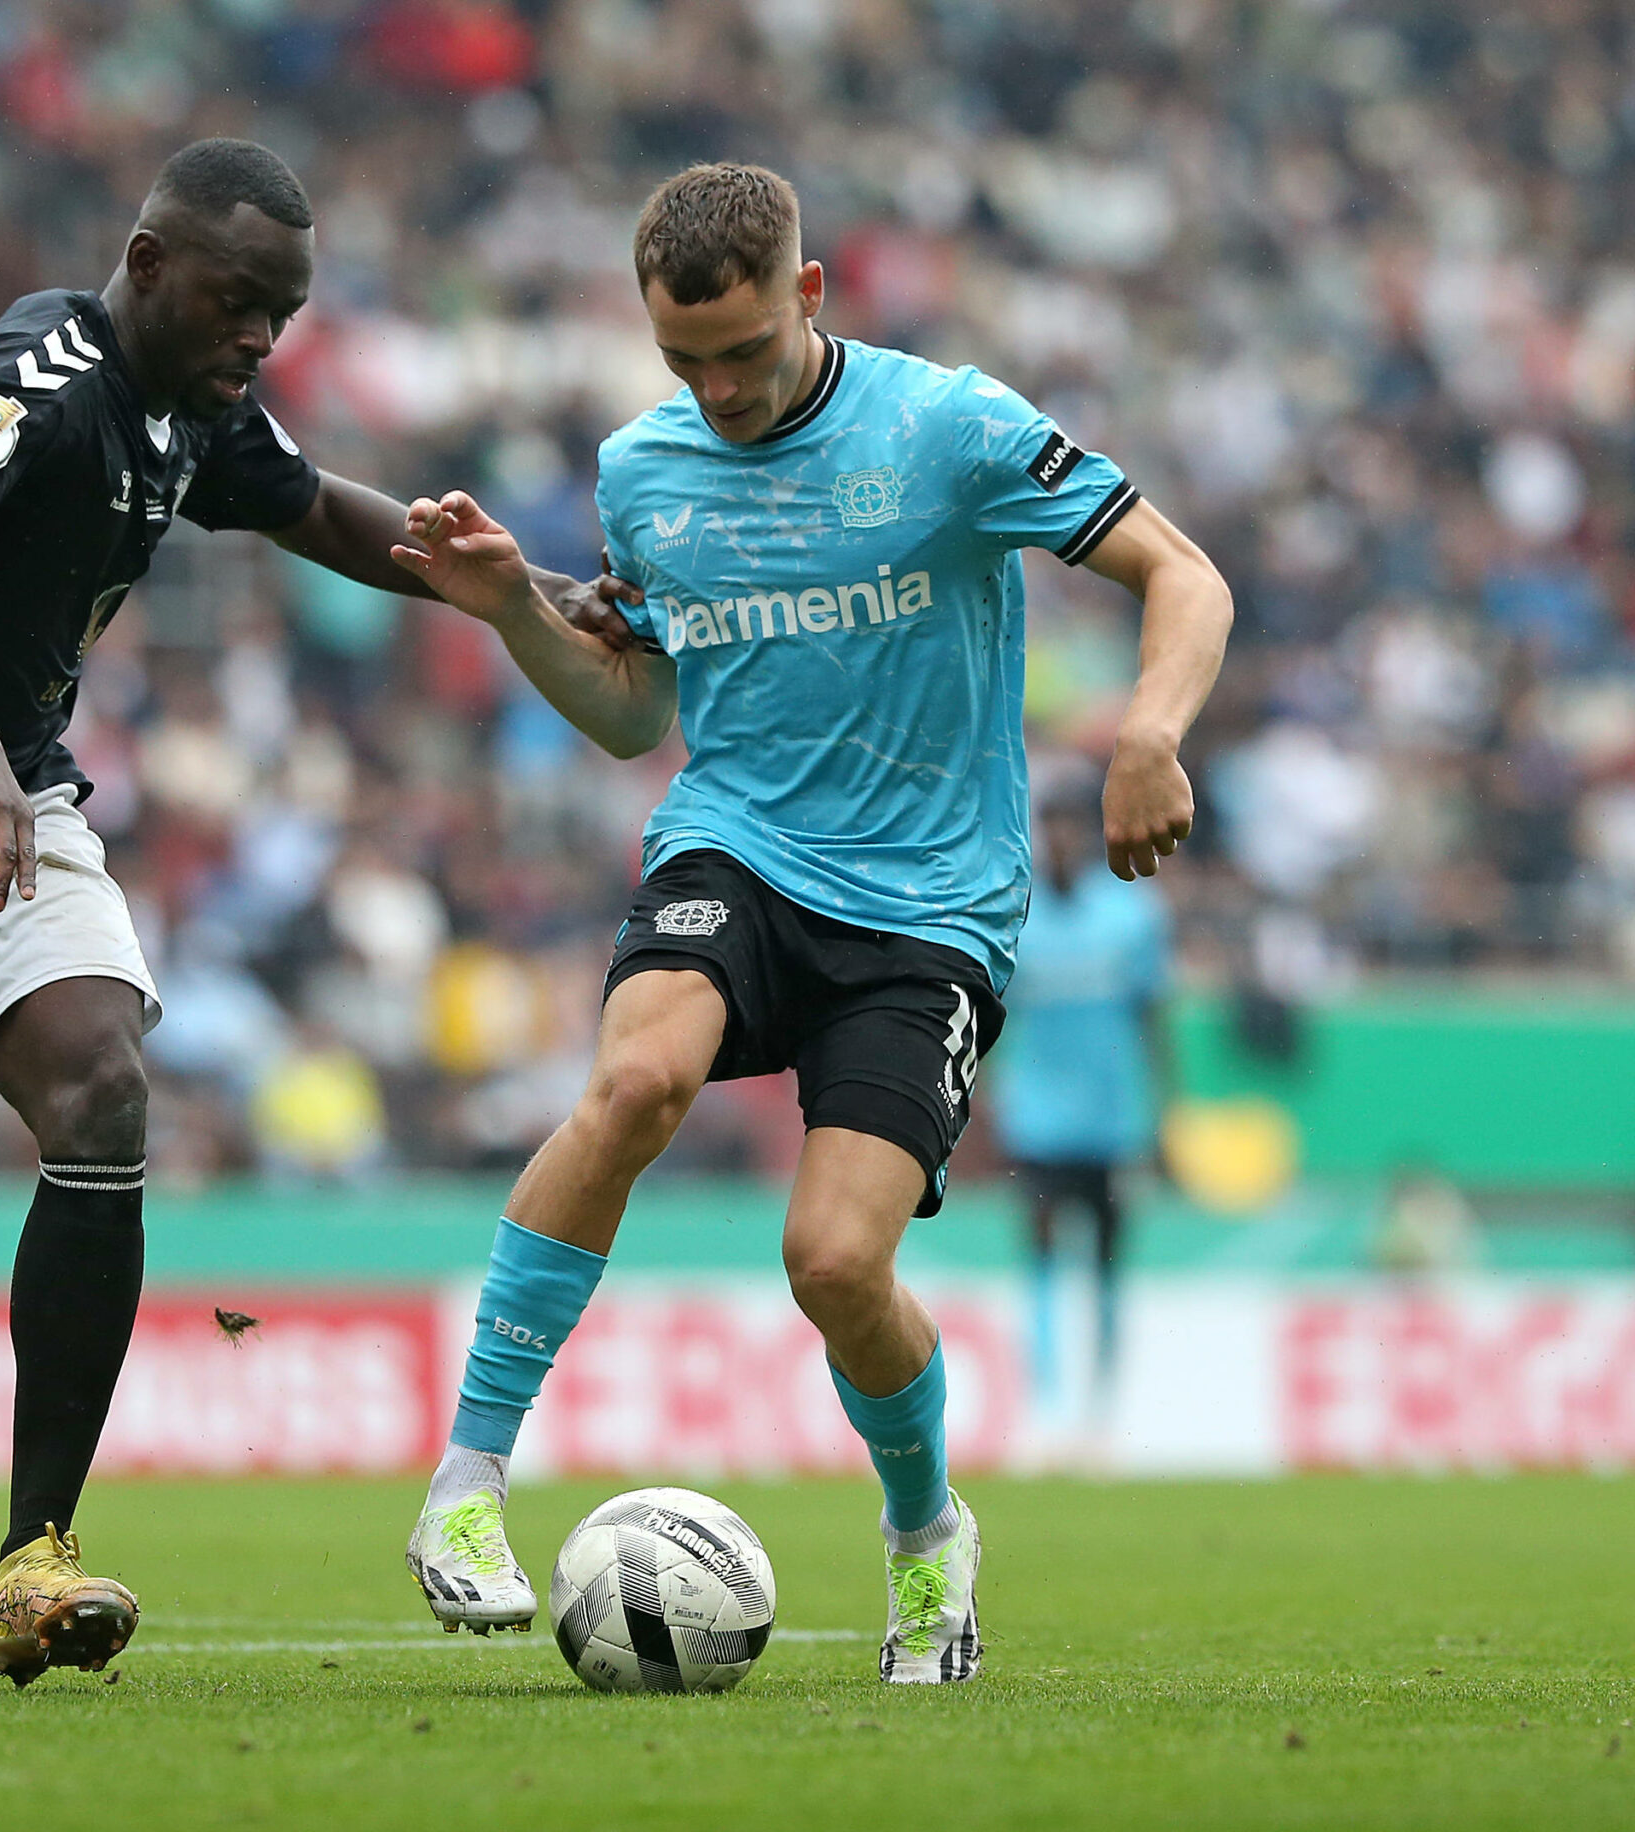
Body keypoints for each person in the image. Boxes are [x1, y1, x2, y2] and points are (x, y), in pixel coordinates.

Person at [0, 138, 620, 1685]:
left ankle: (36, 1559)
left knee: (102, 1082)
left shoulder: (196, 408)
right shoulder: (43, 371)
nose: (258, 340)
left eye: (281, 317)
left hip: (2, 808)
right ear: (150, 263)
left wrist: (529, 591)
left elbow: (325, 514)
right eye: (237, 303)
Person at [390, 163, 1231, 1684]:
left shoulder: (948, 428)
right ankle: (465, 1484)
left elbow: (1185, 575)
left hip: (931, 908)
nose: (713, 390)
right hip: (739, 846)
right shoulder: (641, 470)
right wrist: (513, 607)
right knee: (635, 1081)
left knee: (836, 1263)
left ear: (812, 295)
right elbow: (635, 714)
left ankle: (927, 1538)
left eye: (742, 353)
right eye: (681, 360)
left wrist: (1149, 734)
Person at [993, 785, 1174, 1429]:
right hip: (1037, 1118)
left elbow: (1155, 1017)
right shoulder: (1016, 913)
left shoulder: (1133, 915)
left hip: (1112, 1119)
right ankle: (1045, 1403)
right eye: (1054, 828)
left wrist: (1166, 1114)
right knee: (1040, 1251)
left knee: (1106, 1259)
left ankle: (1104, 1405)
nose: (1064, 841)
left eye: (1074, 828)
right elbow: (992, 1018)